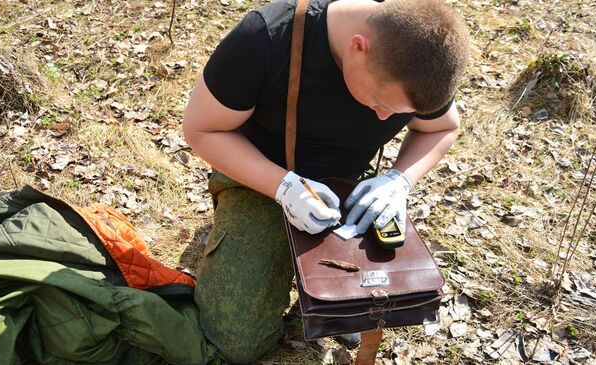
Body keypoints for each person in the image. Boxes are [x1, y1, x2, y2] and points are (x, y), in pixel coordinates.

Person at [182, 0, 469, 362]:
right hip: (258, 177)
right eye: (380, 101)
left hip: (349, 187)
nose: (384, 117)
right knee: (236, 344)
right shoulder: (266, 39)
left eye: (399, 113)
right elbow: (201, 128)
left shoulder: (417, 51)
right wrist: (283, 187)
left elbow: (443, 127)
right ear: (358, 47)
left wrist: (399, 180)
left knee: (344, 308)